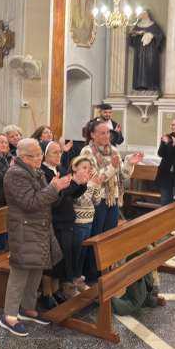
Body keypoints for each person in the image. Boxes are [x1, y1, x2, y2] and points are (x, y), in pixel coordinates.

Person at [0, 138, 70, 337]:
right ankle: (9, 316)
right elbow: (30, 202)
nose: (40, 158)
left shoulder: (35, 171)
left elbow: (46, 200)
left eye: (40, 153)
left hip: (38, 228)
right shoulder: (15, 174)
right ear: (23, 157)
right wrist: (54, 188)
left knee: (36, 269)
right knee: (20, 272)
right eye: (35, 155)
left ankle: (27, 308)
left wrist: (58, 188)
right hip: (24, 229)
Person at [80, 119, 143, 279]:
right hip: (97, 200)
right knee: (96, 238)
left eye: (108, 132)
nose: (106, 136)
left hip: (112, 199)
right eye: (102, 133)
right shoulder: (87, 152)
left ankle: (106, 272)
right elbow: (95, 178)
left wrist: (129, 163)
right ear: (92, 135)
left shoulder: (113, 150)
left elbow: (123, 175)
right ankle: (92, 275)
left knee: (109, 237)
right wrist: (112, 167)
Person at [40, 141, 88, 301]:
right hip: (55, 220)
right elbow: (56, 197)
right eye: (55, 152)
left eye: (60, 152)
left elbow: (71, 194)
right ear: (45, 155)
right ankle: (47, 294)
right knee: (53, 260)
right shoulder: (43, 172)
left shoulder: (60, 169)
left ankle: (57, 291)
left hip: (67, 218)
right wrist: (74, 183)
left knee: (63, 259)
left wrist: (81, 184)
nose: (59, 155)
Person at [70, 156, 104, 294]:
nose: (87, 171)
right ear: (75, 168)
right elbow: (81, 201)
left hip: (89, 221)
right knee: (76, 254)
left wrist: (97, 186)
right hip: (77, 223)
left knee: (82, 254)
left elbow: (96, 201)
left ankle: (78, 280)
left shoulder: (88, 183)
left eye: (89, 168)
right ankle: (71, 284)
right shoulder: (74, 182)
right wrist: (90, 185)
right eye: (84, 168)